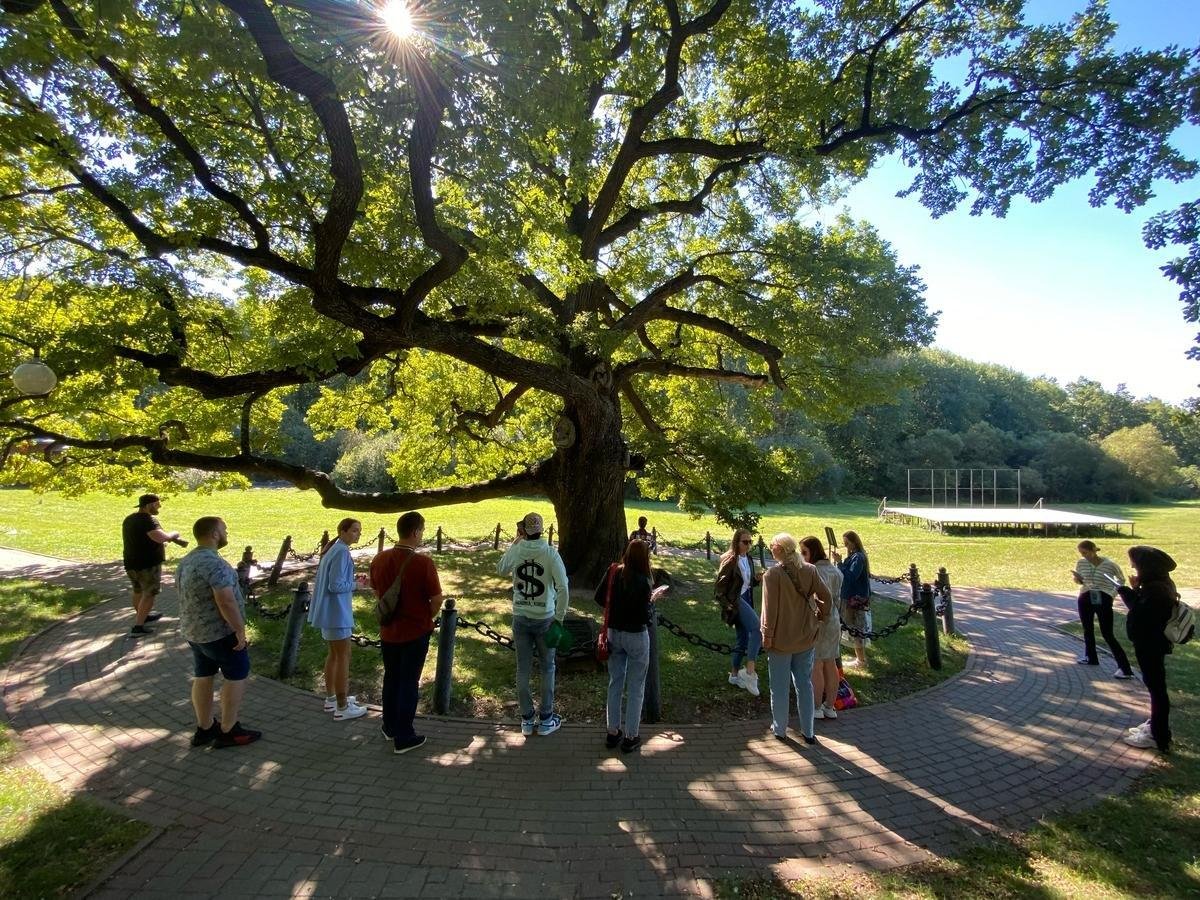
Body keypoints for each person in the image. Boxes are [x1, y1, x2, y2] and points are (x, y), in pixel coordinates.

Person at [176, 516, 260, 748]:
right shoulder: (214, 563)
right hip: (220, 634)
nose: (226, 533)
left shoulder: (188, 560)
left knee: (203, 675)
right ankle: (229, 729)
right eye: (224, 529)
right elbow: (225, 601)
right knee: (236, 676)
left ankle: (205, 727)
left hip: (195, 633)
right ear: (214, 534)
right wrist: (239, 630)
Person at [370, 511, 443, 754]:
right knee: (408, 682)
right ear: (415, 532)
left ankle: (389, 726)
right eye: (422, 530)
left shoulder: (379, 559)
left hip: (388, 630)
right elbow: (436, 599)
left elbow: (377, 591)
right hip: (415, 631)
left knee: (391, 678)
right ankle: (404, 734)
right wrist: (426, 617)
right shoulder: (423, 563)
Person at [498, 512, 569, 736]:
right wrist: (559, 617)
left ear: (523, 530)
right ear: (542, 529)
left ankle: (527, 719)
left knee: (523, 668)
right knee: (548, 667)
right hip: (545, 617)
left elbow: (501, 569)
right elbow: (564, 588)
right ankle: (546, 718)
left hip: (520, 616)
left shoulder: (517, 550)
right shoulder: (550, 554)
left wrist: (515, 542)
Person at [594, 540, 666, 754]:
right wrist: (652, 601)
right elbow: (644, 615)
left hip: (614, 633)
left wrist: (616, 606)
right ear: (645, 558)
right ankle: (631, 735)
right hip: (636, 636)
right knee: (636, 687)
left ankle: (612, 730)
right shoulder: (644, 581)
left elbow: (599, 598)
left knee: (615, 682)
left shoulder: (613, 572)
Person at [761, 533, 832, 743]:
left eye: (773, 545)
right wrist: (821, 617)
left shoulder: (772, 575)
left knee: (779, 688)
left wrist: (767, 635)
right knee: (804, 685)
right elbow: (826, 597)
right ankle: (808, 731)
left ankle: (780, 729)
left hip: (780, 641)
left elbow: (769, 610)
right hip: (805, 637)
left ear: (781, 549)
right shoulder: (809, 570)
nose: (770, 548)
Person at [1116, 546, 1178, 753]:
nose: (1132, 565)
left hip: (1151, 644)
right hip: (1151, 643)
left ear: (1146, 565)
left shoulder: (1156, 590)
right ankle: (1155, 726)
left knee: (1157, 689)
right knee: (1155, 686)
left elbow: (1141, 613)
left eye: (1135, 561)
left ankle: (1158, 736)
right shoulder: (1158, 584)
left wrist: (1127, 591)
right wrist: (1135, 589)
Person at [309, 518, 368, 720]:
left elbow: (336, 580)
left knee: (334, 655)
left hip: (330, 613)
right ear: (342, 531)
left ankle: (332, 698)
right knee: (343, 656)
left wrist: (351, 581)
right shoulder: (341, 551)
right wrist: (357, 585)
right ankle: (342, 707)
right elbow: (335, 586)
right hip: (336, 613)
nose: (358, 534)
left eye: (359, 531)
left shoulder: (333, 549)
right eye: (354, 530)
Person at [122, 493, 186, 637]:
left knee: (138, 591)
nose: (159, 506)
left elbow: (143, 538)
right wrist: (174, 534)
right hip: (147, 564)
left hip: (131, 562)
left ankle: (142, 616)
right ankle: (138, 627)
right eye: (157, 504)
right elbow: (160, 537)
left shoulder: (129, 519)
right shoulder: (148, 520)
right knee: (149, 594)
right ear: (149, 505)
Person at [1071, 540, 1133, 678]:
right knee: (1088, 629)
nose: (1084, 556)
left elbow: (1121, 581)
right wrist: (1078, 579)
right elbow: (1079, 581)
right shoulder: (1081, 563)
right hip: (1086, 596)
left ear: (1094, 550)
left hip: (1103, 598)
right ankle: (1091, 657)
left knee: (1107, 633)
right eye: (1081, 553)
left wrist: (1111, 595)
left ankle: (1125, 668)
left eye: (1086, 553)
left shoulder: (1110, 565)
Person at [715, 528, 763, 695]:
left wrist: (756, 580)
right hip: (736, 602)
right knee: (757, 630)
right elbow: (719, 589)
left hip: (747, 600)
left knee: (742, 640)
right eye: (745, 542)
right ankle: (749, 673)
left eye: (750, 542)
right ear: (736, 542)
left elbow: (746, 583)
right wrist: (726, 604)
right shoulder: (730, 561)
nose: (748, 545)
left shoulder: (748, 559)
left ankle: (734, 675)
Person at [800, 535, 843, 720]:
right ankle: (830, 706)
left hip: (819, 620)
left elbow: (814, 599)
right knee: (830, 663)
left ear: (813, 552)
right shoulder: (835, 571)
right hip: (834, 620)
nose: (802, 556)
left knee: (816, 663)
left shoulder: (814, 571)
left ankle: (816, 706)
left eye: (804, 552)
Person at [832, 530, 870, 668]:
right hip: (848, 597)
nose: (846, 546)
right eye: (845, 543)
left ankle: (861, 660)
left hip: (855, 599)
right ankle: (858, 658)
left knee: (856, 628)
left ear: (854, 542)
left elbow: (851, 577)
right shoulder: (853, 556)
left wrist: (840, 563)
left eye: (847, 543)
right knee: (850, 626)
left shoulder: (858, 558)